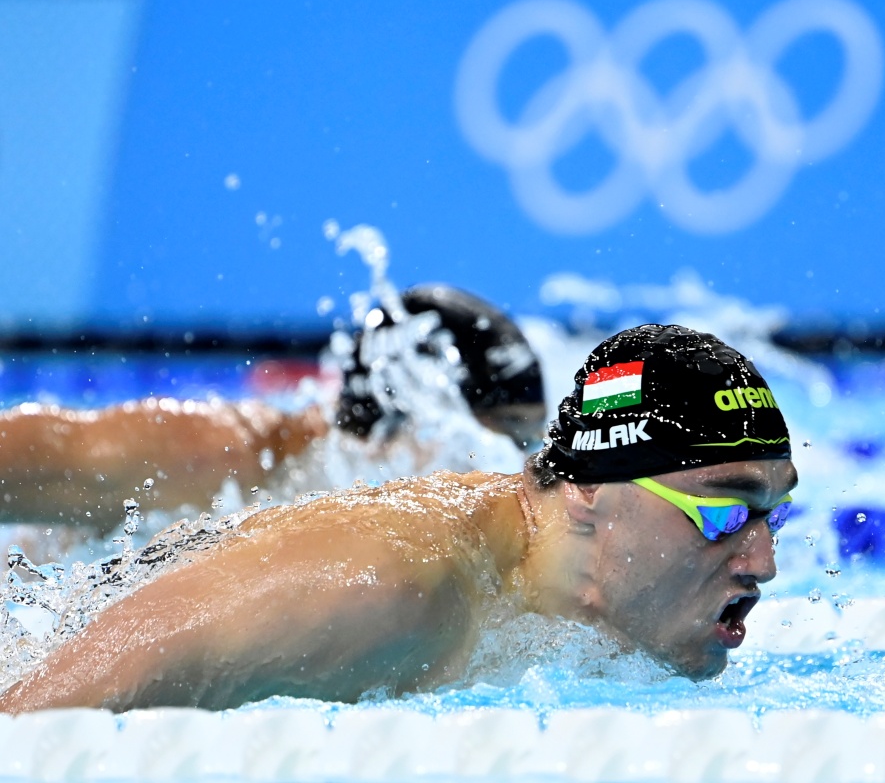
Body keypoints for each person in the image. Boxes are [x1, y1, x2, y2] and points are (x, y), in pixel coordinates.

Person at [0, 324, 797, 713]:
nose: (762, 563)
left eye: (774, 515)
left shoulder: (543, 586)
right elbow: (31, 724)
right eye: (727, 514)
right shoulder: (383, 589)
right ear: (589, 488)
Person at [0, 285, 546, 529]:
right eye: (513, 436)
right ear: (423, 418)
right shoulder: (232, 454)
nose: (524, 461)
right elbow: (64, 454)